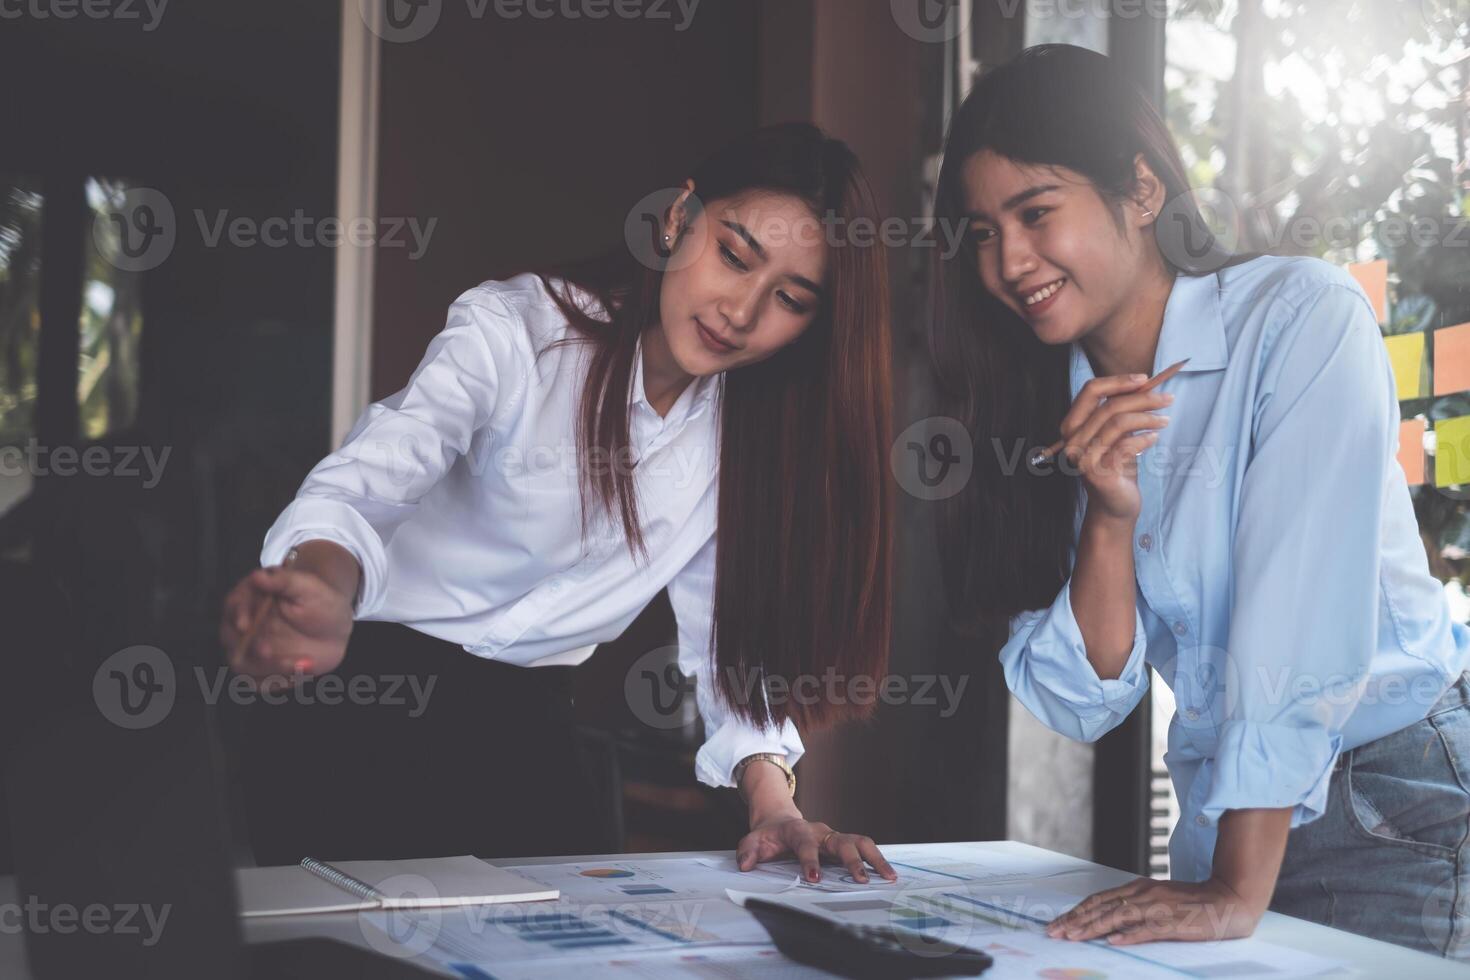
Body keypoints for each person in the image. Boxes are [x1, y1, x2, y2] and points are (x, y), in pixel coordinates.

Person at [219, 122, 898, 885]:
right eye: (734, 255)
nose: (740, 311)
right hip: (360, 712)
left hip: (525, 735)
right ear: (678, 218)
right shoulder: (516, 331)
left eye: (789, 298)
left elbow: (724, 640)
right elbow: (376, 475)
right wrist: (323, 587)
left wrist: (775, 805)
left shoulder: (747, 435)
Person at [928, 44, 1470, 957]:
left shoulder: (1301, 319)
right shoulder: (1035, 401)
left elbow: (1292, 624)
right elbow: (1085, 702)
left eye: (1036, 212)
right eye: (983, 232)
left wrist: (1231, 889)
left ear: (1141, 191)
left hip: (1390, 796)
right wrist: (1109, 516)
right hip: (1227, 820)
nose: (1010, 260)